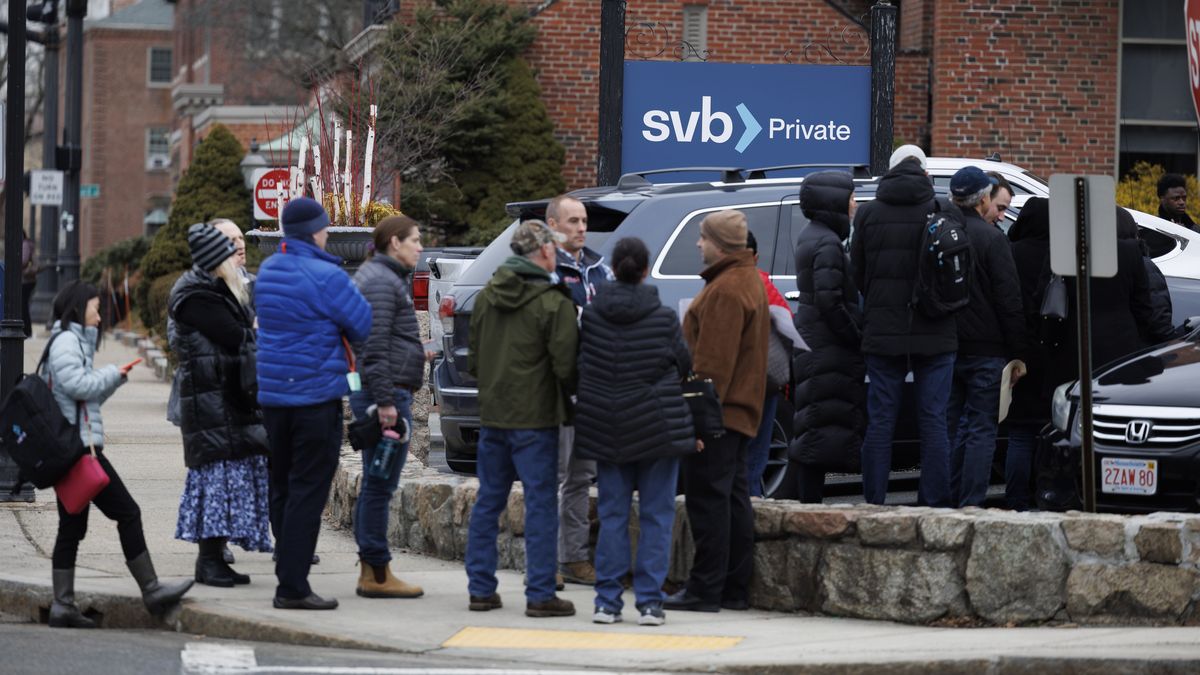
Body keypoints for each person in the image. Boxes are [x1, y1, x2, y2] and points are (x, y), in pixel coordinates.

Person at [44, 281, 192, 628]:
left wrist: (115, 378)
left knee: (72, 528)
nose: (99, 317)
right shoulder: (66, 341)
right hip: (79, 451)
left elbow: (85, 398)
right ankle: (151, 590)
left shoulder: (74, 341)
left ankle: (62, 605)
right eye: (96, 309)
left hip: (76, 448)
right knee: (127, 512)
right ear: (80, 309)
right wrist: (110, 373)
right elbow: (77, 386)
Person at [255, 196, 372, 611]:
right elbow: (362, 324)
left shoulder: (267, 271)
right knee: (309, 489)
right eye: (323, 228)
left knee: (283, 483)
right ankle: (292, 585)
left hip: (273, 398)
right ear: (314, 231)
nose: (327, 234)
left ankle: (285, 567)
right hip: (314, 397)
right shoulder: (328, 276)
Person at [574, 237, 696, 627]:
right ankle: (648, 602)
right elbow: (683, 363)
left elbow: (580, 364)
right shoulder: (662, 317)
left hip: (608, 424)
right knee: (657, 516)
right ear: (645, 271)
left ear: (614, 269)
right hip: (658, 425)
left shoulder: (591, 316)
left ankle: (607, 602)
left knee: (612, 515)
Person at [465, 219, 578, 618]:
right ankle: (541, 593)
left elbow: (474, 360)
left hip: (494, 416)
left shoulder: (485, 296)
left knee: (488, 501)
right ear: (545, 252)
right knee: (541, 504)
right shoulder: (554, 300)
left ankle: (481, 589)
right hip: (537, 419)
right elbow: (567, 366)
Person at [665, 210, 768, 613]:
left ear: (720, 244)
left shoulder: (726, 289)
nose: (698, 244)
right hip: (737, 413)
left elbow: (711, 367)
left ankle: (705, 589)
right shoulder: (746, 279)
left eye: (702, 237)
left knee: (708, 502)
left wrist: (699, 425)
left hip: (719, 416)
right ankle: (733, 588)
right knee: (733, 499)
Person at [850, 145, 958, 507]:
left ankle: (875, 502)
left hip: (882, 331)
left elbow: (858, 275)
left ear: (890, 172)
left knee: (880, 421)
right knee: (934, 421)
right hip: (936, 329)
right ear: (925, 173)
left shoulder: (869, 213)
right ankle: (933, 505)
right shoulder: (942, 209)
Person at [170, 223, 272, 587]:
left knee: (227, 485)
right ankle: (209, 562)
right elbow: (237, 335)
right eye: (228, 251)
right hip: (213, 405)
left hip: (221, 402)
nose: (235, 256)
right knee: (217, 486)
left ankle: (215, 560)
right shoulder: (199, 295)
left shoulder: (208, 289)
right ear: (216, 259)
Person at [349, 215, 431, 599]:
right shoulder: (382, 282)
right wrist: (385, 404)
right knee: (380, 485)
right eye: (415, 240)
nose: (420, 247)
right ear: (394, 242)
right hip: (387, 395)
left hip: (386, 391)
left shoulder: (378, 276)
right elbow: (374, 348)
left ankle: (373, 567)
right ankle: (376, 573)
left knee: (376, 483)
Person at [943, 166, 1027, 508]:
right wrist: (1019, 352)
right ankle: (971, 502)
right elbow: (1009, 301)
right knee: (982, 429)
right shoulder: (993, 239)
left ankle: (945, 499)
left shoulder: (939, 232)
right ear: (983, 200)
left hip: (947, 346)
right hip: (987, 350)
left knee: (950, 429)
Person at [547, 194, 612, 587]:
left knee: (581, 477)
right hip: (556, 393)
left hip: (593, 390)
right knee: (555, 475)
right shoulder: (545, 268)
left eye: (584, 220)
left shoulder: (597, 267)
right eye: (573, 221)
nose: (582, 228)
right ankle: (549, 559)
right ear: (553, 224)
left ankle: (573, 557)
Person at [791, 171, 865, 504]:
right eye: (850, 197)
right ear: (832, 201)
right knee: (818, 428)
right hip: (827, 346)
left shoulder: (814, 235)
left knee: (814, 423)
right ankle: (810, 505)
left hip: (815, 342)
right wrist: (854, 335)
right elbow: (829, 299)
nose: (854, 203)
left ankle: (809, 501)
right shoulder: (827, 243)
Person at [1005, 198, 1054, 510]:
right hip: (1053, 350)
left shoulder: (1011, 253)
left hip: (1018, 350)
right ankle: (1045, 495)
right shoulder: (1060, 257)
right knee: (1049, 430)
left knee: (1019, 434)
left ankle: (1016, 499)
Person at [744, 230, 792, 498]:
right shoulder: (762, 285)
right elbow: (786, 328)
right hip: (762, 382)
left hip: (739, 385)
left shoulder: (720, 285)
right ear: (756, 257)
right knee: (754, 457)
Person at [21, 229, 37, 337]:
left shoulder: (25, 244)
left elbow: (24, 260)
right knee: (23, 304)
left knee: (23, 305)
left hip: (26, 279)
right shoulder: (27, 243)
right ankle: (27, 330)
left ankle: (27, 330)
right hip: (28, 279)